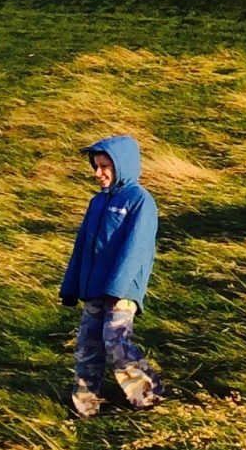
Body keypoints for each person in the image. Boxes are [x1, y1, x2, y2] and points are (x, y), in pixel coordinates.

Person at [59, 134, 167, 417]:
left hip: (122, 289)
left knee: (114, 338)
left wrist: (117, 288)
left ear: (123, 165)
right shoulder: (97, 203)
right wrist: (71, 286)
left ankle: (148, 394)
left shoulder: (139, 200)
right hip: (93, 288)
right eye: (96, 166)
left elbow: (136, 247)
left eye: (105, 166)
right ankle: (85, 403)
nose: (99, 173)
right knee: (87, 342)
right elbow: (82, 246)